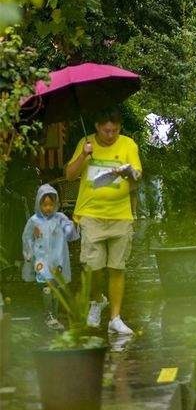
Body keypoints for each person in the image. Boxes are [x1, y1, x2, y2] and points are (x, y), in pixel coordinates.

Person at [65, 107, 142, 336]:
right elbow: (69, 174)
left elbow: (138, 175)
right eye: (107, 130)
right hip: (91, 214)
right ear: (98, 127)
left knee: (117, 267)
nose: (111, 135)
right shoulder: (85, 143)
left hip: (120, 214)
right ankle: (98, 300)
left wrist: (128, 172)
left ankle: (115, 318)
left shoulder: (128, 144)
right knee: (92, 267)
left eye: (115, 130)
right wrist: (84, 155)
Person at [22, 184, 79, 329]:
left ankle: (53, 313)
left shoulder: (60, 218)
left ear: (56, 204)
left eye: (51, 204)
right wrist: (28, 253)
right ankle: (48, 314)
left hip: (57, 260)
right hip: (41, 261)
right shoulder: (34, 221)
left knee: (56, 286)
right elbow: (27, 237)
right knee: (47, 286)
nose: (48, 208)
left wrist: (75, 224)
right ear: (39, 204)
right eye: (44, 204)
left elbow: (70, 233)